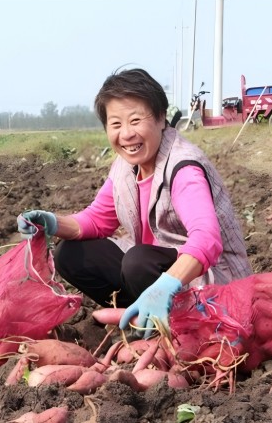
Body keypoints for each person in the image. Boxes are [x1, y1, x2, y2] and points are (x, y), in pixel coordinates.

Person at [16, 68, 252, 339]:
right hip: (155, 270)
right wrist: (52, 222)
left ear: (161, 118)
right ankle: (142, 317)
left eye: (136, 120)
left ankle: (181, 325)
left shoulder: (183, 168)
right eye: (116, 124)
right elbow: (97, 219)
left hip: (213, 281)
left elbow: (207, 238)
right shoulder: (126, 166)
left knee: (137, 261)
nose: (126, 134)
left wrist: (166, 285)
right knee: (71, 254)